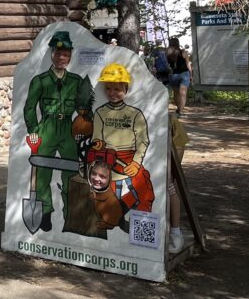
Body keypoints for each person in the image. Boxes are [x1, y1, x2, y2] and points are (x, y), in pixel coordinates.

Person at [23, 30, 93, 232]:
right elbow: (29, 108)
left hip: (68, 131)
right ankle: (45, 213)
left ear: (70, 57)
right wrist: (34, 130)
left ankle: (70, 212)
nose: (62, 58)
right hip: (46, 127)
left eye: (66, 55)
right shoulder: (40, 80)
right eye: (58, 54)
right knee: (42, 172)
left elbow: (84, 108)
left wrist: (84, 126)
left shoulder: (76, 81)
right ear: (52, 54)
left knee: (71, 171)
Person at [91, 63, 154, 227]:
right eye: (109, 88)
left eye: (117, 89)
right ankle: (109, 220)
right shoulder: (100, 113)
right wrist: (97, 145)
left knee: (145, 187)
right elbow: (96, 138)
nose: (112, 93)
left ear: (126, 90)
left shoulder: (134, 114)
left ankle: (141, 225)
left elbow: (143, 140)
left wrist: (136, 162)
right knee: (106, 193)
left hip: (130, 159)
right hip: (108, 160)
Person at [168, 112, 190, 252]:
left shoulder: (172, 122)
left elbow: (178, 146)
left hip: (170, 143)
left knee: (168, 185)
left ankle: (175, 231)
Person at [167, 38, 192, 115]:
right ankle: (180, 111)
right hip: (184, 74)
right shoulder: (183, 52)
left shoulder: (167, 53)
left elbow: (167, 65)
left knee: (176, 93)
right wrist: (191, 74)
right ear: (178, 43)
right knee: (183, 94)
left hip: (173, 75)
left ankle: (178, 108)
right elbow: (188, 64)